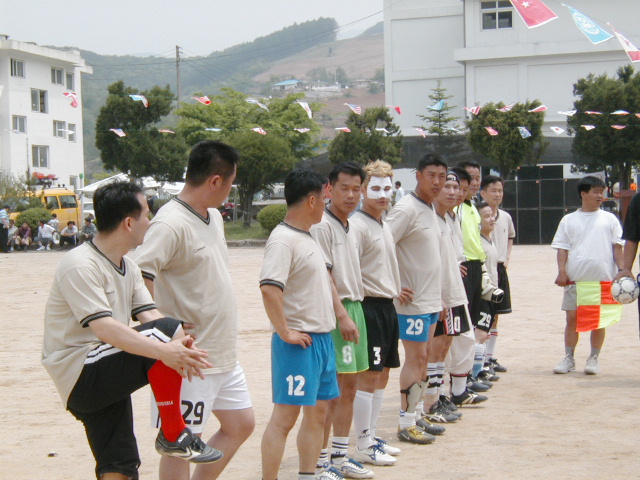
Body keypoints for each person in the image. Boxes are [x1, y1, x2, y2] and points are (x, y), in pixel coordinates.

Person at [41, 181, 223, 480]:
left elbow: (149, 314)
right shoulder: (80, 264)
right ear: (128, 223)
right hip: (81, 371)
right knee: (167, 331)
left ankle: (170, 434)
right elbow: (104, 328)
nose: (150, 222)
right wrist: (167, 347)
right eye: (147, 215)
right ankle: (173, 432)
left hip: (104, 365)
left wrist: (179, 342)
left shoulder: (128, 266)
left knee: (120, 466)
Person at [132, 140, 255, 480]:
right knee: (182, 443)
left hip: (221, 351)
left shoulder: (213, 216)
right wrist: (162, 327)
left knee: (241, 424)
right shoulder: (170, 223)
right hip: (189, 358)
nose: (230, 190)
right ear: (215, 181)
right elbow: (139, 275)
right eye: (230, 183)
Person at [259, 169, 341, 480]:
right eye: (324, 198)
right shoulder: (282, 239)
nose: (326, 205)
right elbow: (269, 288)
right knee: (285, 417)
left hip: (321, 339)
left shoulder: (308, 236)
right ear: (311, 200)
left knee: (318, 413)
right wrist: (284, 331)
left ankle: (308, 474)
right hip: (299, 343)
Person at [310, 162, 374, 479]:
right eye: (344, 188)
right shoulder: (322, 225)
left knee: (350, 387)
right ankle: (321, 462)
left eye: (356, 189)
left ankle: (339, 455)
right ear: (329, 189)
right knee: (331, 392)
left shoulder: (352, 225)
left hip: (356, 307)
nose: (350, 195)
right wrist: (342, 315)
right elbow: (325, 276)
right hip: (338, 312)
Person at [350, 160, 408, 465]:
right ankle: (362, 443)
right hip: (368, 307)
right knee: (369, 377)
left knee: (383, 374)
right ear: (363, 190)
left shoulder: (383, 224)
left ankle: (371, 436)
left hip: (387, 307)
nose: (383, 194)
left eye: (387, 188)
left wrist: (396, 288)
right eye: (376, 188)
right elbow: (349, 271)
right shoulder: (357, 226)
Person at [386, 153, 446, 444]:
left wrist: (439, 298)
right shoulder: (406, 209)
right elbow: (381, 246)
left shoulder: (430, 208)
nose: (437, 182)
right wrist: (393, 285)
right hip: (412, 303)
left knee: (425, 357)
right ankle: (405, 423)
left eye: (442, 176)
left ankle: (417, 414)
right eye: (431, 175)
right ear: (418, 176)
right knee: (416, 358)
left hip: (430, 300)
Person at [551, 176, 623, 375]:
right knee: (572, 318)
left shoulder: (610, 219)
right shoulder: (569, 220)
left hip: (603, 280)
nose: (600, 196)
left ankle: (593, 358)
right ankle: (569, 357)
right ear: (583, 194)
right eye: (595, 192)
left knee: (599, 320)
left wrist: (622, 270)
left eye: (602, 192)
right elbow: (562, 248)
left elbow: (617, 247)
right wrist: (562, 271)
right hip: (575, 279)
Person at [454, 161, 491, 394]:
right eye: (470, 178)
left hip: (476, 266)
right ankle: (457, 381)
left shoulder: (473, 208)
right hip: (464, 267)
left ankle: (467, 375)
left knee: (474, 325)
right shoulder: (455, 209)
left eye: (477, 178)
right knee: (462, 328)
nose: (475, 183)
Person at [480, 175, 515, 373]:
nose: (498, 194)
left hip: (499, 268)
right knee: (483, 314)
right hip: (484, 268)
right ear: (483, 193)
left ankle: (489, 357)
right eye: (493, 190)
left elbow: (510, 237)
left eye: (500, 190)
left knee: (496, 315)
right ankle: (480, 359)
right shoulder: (477, 215)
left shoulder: (506, 217)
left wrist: (507, 258)